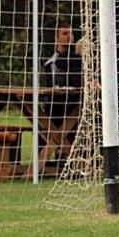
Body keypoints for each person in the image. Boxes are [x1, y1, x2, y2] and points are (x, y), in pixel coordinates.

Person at [39, 21, 83, 174]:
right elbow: (54, 86)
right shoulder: (52, 62)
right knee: (46, 124)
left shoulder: (80, 59)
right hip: (56, 107)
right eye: (65, 33)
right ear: (56, 38)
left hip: (75, 104)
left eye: (71, 33)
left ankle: (73, 160)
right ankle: (48, 161)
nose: (69, 36)